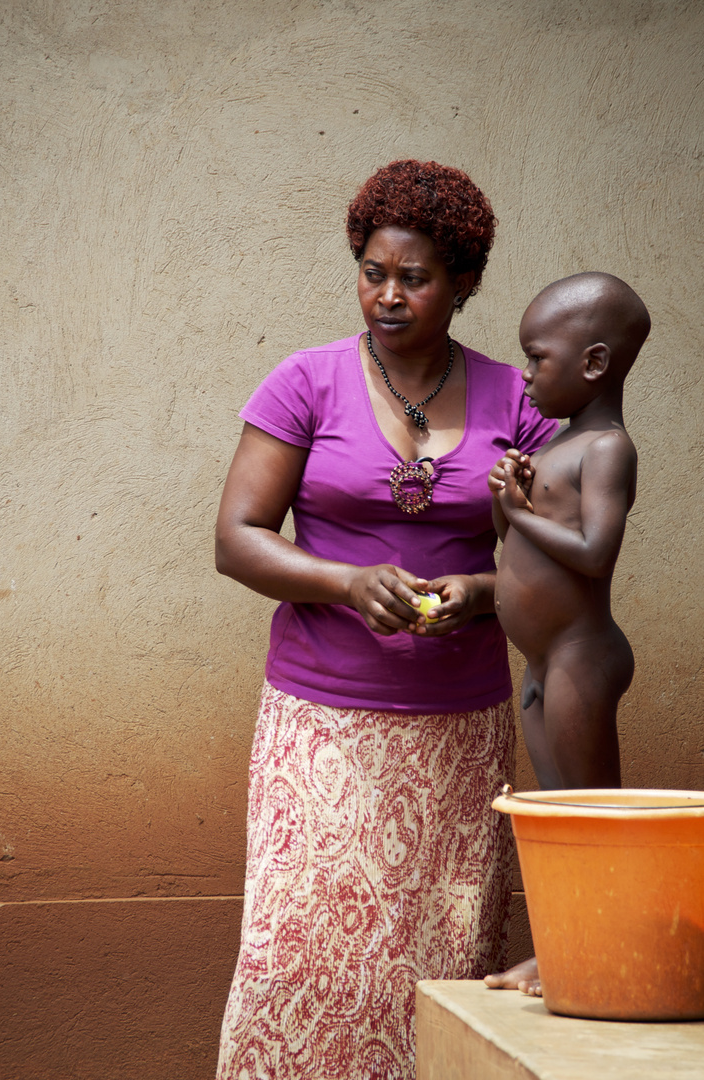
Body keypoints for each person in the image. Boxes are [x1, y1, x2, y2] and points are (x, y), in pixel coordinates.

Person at [214, 159, 557, 1080]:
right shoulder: (305, 382)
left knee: (439, 964)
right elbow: (238, 538)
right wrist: (344, 581)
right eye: (374, 272)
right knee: (303, 957)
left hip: (458, 731)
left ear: (465, 283)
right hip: (319, 727)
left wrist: (483, 594)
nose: (389, 295)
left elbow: (563, 560)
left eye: (415, 277)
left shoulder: (521, 401)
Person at [484, 272, 650, 995]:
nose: (524, 378)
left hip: (581, 659)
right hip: (540, 662)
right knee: (551, 818)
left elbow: (593, 554)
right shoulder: (553, 443)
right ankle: (561, 952)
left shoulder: (607, 448)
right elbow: (512, 546)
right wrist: (505, 504)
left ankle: (610, 954)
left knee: (593, 818)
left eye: (535, 358)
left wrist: (518, 512)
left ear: (592, 364)